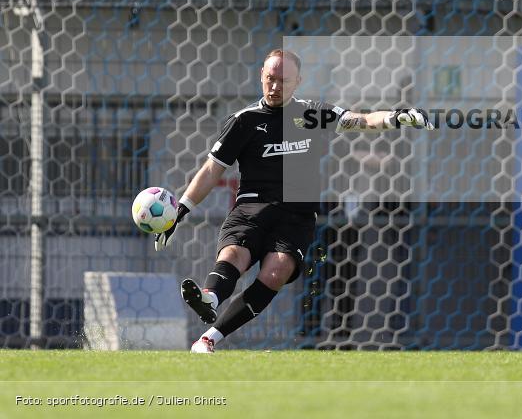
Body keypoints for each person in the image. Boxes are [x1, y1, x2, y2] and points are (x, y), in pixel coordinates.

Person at [156, 49, 434, 353]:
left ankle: (209, 339)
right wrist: (181, 209)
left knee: (277, 271)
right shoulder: (243, 121)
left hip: (295, 216)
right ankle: (210, 297)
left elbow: (363, 120)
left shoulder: (312, 114)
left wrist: (395, 118)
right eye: (270, 79)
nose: (274, 86)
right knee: (234, 254)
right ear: (261, 75)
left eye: (283, 81)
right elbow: (211, 170)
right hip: (251, 207)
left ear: (298, 82)